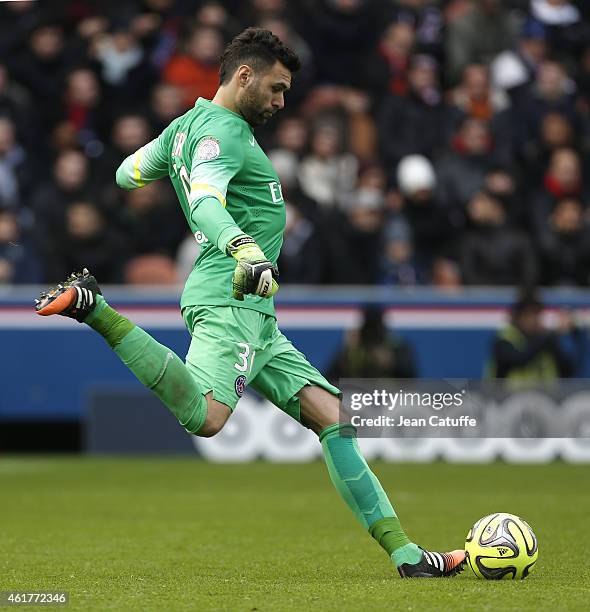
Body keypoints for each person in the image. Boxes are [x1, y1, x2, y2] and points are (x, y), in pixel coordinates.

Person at [34, 27, 464, 579]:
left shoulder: (187, 127)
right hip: (231, 293)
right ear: (244, 75)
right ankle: (95, 308)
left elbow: (125, 174)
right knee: (206, 417)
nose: (282, 102)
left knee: (335, 419)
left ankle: (406, 555)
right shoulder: (226, 132)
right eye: (277, 88)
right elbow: (210, 199)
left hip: (257, 313)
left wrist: (172, 158)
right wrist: (242, 247)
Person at [487, 293, 584, 383]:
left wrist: (572, 335)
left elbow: (568, 371)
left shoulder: (545, 339)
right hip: (507, 399)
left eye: (538, 314)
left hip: (543, 398)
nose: (536, 319)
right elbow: (518, 359)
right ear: (518, 316)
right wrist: (548, 337)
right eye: (531, 315)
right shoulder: (505, 337)